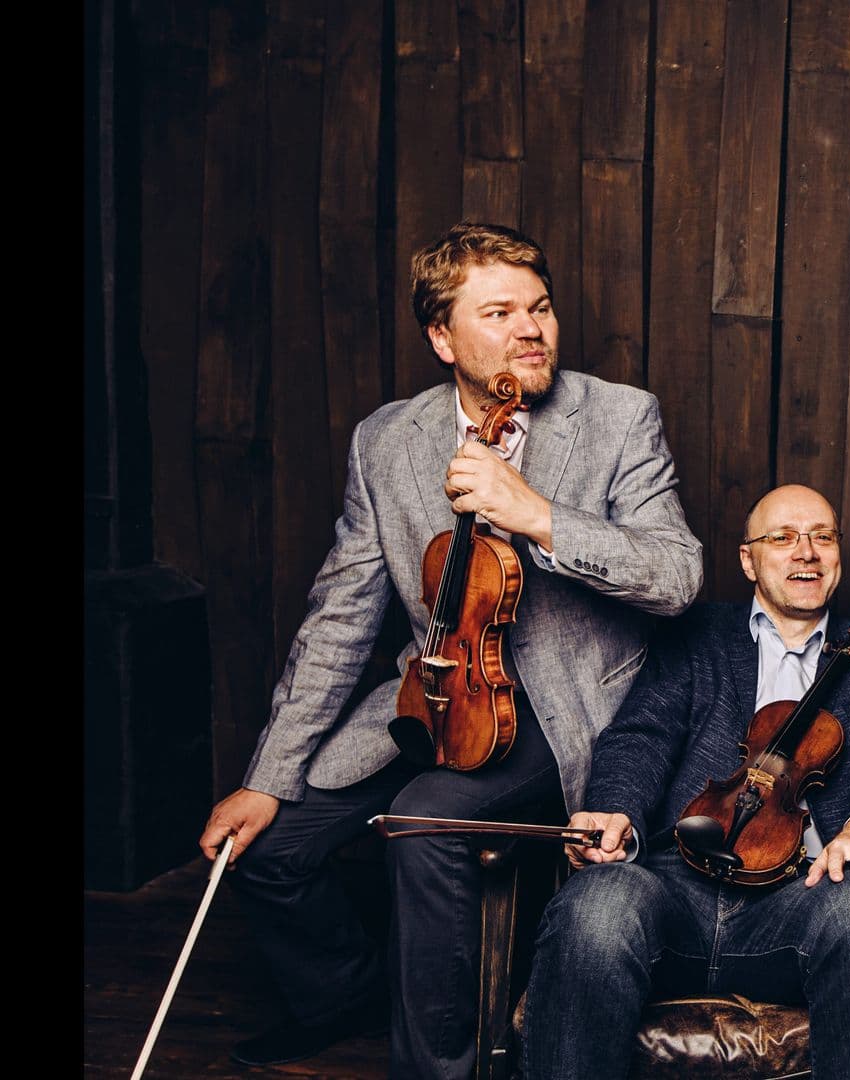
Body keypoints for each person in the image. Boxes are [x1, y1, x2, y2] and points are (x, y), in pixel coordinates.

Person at [195, 222, 704, 1078]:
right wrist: (264, 778)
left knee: (426, 816)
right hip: (436, 691)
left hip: (559, 707)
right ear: (442, 337)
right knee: (269, 848)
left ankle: (441, 1067)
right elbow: (340, 618)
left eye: (539, 307)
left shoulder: (618, 417)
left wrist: (534, 513)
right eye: (498, 313)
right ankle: (344, 996)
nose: (531, 330)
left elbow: (677, 576)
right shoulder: (386, 440)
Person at [519, 484, 850, 1080]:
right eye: (783, 537)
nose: (806, 552)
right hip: (675, 882)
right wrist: (615, 811)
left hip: (802, 894)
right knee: (597, 906)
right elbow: (642, 735)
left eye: (822, 537)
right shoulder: (699, 634)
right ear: (748, 559)